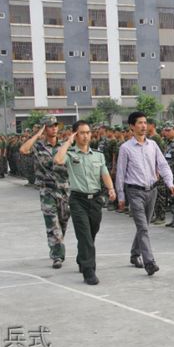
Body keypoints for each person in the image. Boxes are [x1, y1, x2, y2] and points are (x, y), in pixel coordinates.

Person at [54, 120, 116, 285]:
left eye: (88, 132)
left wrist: (111, 189)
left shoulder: (98, 155)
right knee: (85, 235)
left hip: (95, 200)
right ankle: (89, 271)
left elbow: (105, 174)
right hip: (78, 200)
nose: (86, 135)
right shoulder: (70, 154)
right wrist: (68, 141)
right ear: (75, 135)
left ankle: (82, 258)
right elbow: (58, 160)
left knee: (91, 233)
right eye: (82, 132)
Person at [115, 112, 174, 276]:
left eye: (145, 122)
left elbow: (163, 165)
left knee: (144, 227)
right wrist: (121, 196)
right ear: (132, 127)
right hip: (134, 192)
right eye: (140, 123)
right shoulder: (125, 148)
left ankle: (135, 254)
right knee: (143, 227)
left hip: (152, 191)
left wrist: (169, 182)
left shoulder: (153, 146)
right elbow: (120, 173)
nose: (144, 126)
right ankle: (149, 262)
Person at [19, 116, 70, 269]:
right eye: (50, 126)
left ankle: (57, 245)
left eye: (56, 125)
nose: (54, 128)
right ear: (45, 129)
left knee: (62, 222)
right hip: (47, 191)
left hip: (64, 190)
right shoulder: (39, 146)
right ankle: (57, 256)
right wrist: (37, 134)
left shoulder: (64, 145)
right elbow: (23, 149)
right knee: (52, 224)